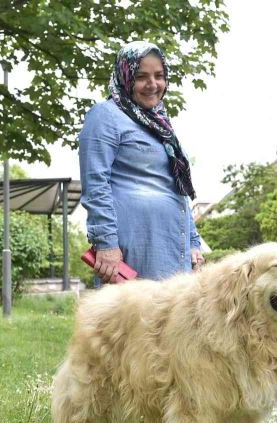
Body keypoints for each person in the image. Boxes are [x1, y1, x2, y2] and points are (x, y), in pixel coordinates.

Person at [79, 41, 204, 284]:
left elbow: (177, 190)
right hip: (134, 249)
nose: (153, 84)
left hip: (171, 249)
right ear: (125, 76)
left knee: (171, 320)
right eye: (141, 76)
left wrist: (193, 242)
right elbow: (96, 184)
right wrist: (105, 244)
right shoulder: (105, 115)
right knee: (133, 321)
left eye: (159, 76)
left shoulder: (161, 125)